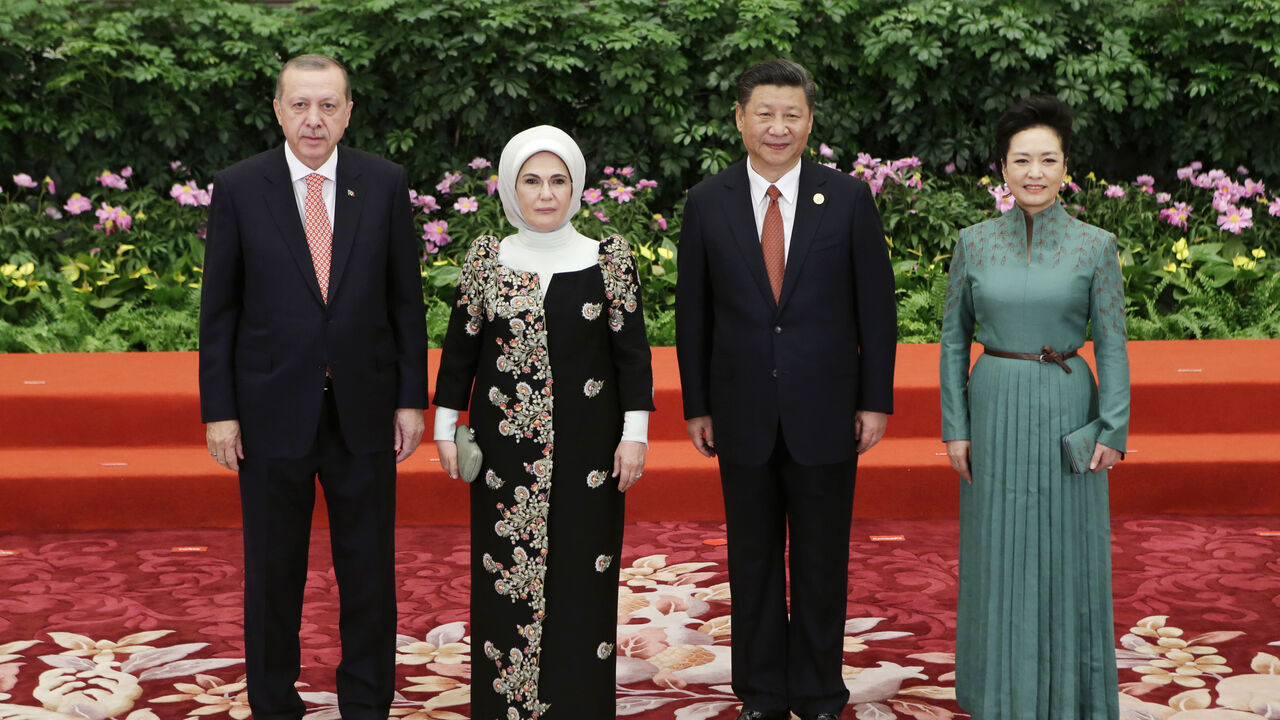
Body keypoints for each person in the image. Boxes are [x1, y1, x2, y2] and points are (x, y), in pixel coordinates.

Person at [199, 54, 428, 720]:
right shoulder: (241, 187)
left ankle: (366, 701)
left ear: (349, 110)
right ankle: (274, 703)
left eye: (328, 105)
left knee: (367, 572)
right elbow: (220, 311)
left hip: (364, 408)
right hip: (271, 412)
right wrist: (221, 412)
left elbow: (404, 303)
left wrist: (410, 397)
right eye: (300, 104)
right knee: (273, 573)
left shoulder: (382, 184)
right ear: (277, 110)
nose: (314, 119)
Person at [675, 59, 898, 720]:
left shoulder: (848, 198)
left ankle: (820, 692)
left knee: (823, 560)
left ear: (809, 122)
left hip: (827, 409)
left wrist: (875, 398)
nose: (778, 127)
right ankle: (762, 693)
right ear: (740, 118)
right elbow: (693, 313)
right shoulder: (707, 201)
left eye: (791, 115)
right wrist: (698, 404)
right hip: (740, 410)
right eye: (765, 114)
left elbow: (875, 309)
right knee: (753, 563)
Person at [432, 125, 654, 718]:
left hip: (590, 454)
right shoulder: (487, 260)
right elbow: (460, 352)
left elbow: (633, 357)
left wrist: (635, 436)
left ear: (576, 187)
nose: (546, 193)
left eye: (559, 180)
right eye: (532, 180)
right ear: (511, 188)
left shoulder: (607, 259)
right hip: (504, 459)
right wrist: (445, 428)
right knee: (505, 578)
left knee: (584, 577)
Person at [940, 95, 1130, 719]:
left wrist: (1113, 425)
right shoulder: (972, 243)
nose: (1035, 172)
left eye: (1048, 159)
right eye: (1021, 159)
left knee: (1068, 551)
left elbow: (1112, 342)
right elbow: (952, 340)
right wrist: (955, 428)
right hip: (993, 402)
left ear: (1066, 165)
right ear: (1001, 168)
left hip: (1069, 405)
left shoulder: (1096, 245)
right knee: (996, 549)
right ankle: (997, 694)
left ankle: (1072, 696)